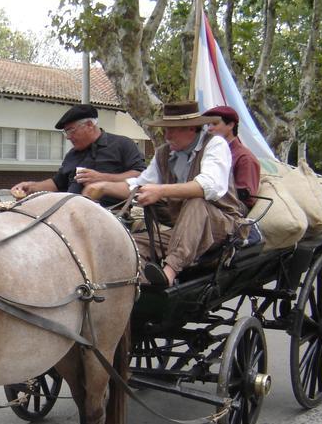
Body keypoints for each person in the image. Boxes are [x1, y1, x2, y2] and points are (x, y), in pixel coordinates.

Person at [83, 101, 246, 288]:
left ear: (191, 128)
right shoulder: (163, 154)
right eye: (165, 130)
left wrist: (160, 191)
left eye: (172, 130)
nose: (166, 136)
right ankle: (140, 286)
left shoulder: (215, 144)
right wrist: (103, 187)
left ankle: (169, 272)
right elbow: (138, 186)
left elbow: (210, 185)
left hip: (221, 225)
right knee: (133, 243)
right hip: (183, 230)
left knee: (196, 202)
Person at [10, 104, 145, 204]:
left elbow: (140, 177)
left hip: (110, 217)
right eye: (65, 132)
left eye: (71, 131)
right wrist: (31, 187)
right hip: (70, 213)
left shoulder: (122, 144)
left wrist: (102, 177)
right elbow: (57, 184)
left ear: (89, 125)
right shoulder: (72, 154)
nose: (68, 137)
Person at [201, 105, 261, 205]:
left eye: (215, 124)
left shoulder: (244, 158)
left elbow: (246, 199)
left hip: (232, 211)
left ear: (230, 125)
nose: (209, 129)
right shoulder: (207, 152)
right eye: (208, 125)